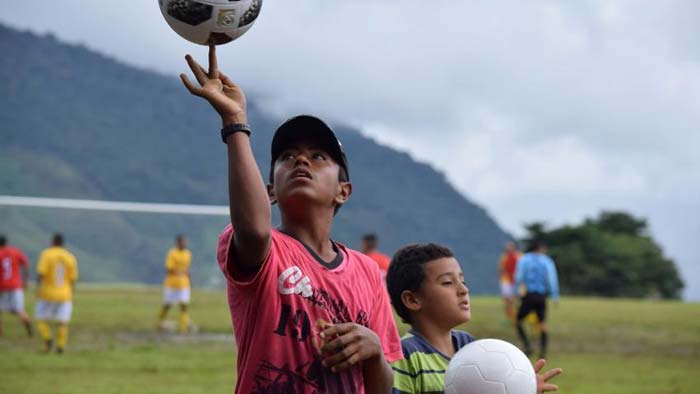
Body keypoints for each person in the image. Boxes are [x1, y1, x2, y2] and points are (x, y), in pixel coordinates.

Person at [180, 45, 402, 393]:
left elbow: (381, 386)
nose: (301, 161)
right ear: (270, 192)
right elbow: (253, 229)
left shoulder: (367, 272)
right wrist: (235, 123)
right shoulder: (266, 251)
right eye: (286, 157)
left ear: (343, 191)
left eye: (317, 156)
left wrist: (373, 352)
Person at [387, 243, 562, 393]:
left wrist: (522, 388)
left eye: (462, 281)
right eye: (448, 282)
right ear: (412, 299)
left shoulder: (470, 347)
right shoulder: (405, 356)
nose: (463, 290)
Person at [514, 240, 560, 359]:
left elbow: (518, 277)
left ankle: (527, 345)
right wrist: (555, 295)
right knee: (542, 324)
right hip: (541, 296)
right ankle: (543, 352)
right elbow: (552, 279)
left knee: (518, 321)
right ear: (541, 249)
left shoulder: (524, 259)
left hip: (528, 295)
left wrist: (516, 292)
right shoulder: (547, 261)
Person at [35, 233, 78, 354]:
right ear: (63, 243)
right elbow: (73, 279)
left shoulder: (47, 254)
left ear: (52, 241)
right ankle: (60, 346)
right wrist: (71, 292)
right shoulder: (70, 257)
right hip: (65, 294)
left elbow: (41, 273)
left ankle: (48, 338)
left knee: (41, 319)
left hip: (47, 292)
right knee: (62, 322)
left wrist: (38, 288)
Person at [158, 234, 192, 334]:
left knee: (184, 305)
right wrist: (180, 272)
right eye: (182, 242)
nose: (184, 244)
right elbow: (169, 269)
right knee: (167, 304)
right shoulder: (172, 253)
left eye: (185, 242)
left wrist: (189, 278)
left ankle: (183, 327)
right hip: (172, 284)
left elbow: (187, 270)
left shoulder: (188, 254)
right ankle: (160, 321)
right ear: (178, 243)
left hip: (184, 284)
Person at [0, 235, 33, 337]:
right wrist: (25, 279)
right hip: (15, 285)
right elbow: (25, 263)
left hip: (2, 286)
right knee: (20, 309)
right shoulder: (15, 251)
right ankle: (28, 324)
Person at [498, 241, 521, 323]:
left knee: (517, 301)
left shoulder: (519, 256)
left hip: (516, 281)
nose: (508, 248)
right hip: (506, 281)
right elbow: (501, 270)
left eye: (509, 246)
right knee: (507, 301)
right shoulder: (504, 257)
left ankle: (518, 318)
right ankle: (510, 318)